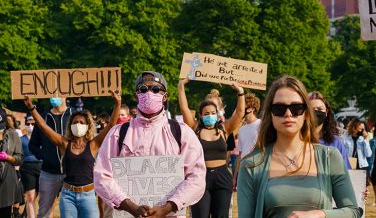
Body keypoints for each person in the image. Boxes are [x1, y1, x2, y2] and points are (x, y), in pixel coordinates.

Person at [237, 75, 361, 217]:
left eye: (296, 108)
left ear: (307, 113)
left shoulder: (329, 157)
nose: (288, 114)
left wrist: (320, 214)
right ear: (270, 113)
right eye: (279, 108)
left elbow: (352, 211)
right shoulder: (251, 164)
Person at [94, 71, 206, 217]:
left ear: (165, 97)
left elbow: (196, 177)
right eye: (143, 89)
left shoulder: (181, 132)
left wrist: (167, 208)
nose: (149, 93)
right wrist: (130, 207)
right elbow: (102, 175)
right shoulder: (118, 133)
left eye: (155, 89)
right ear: (136, 95)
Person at [24, 91, 120, 217]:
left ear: (88, 126)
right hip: (68, 195)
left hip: (88, 195)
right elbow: (43, 126)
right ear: (70, 126)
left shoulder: (93, 144)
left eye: (81, 122)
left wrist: (117, 103)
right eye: (75, 122)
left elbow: (111, 125)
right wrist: (31, 107)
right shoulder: (64, 144)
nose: (78, 124)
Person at [178, 78, 246, 218]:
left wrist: (240, 93)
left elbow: (239, 113)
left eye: (213, 113)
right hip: (200, 176)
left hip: (222, 176)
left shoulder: (224, 129)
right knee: (200, 215)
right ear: (201, 116)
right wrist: (181, 86)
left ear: (218, 114)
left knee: (221, 215)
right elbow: (184, 108)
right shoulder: (195, 128)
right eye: (206, 114)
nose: (210, 116)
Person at [28, 96, 72, 218]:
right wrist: (45, 156)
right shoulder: (43, 117)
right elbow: (33, 145)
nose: (54, 96)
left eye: (58, 93)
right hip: (48, 173)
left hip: (71, 172)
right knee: (44, 213)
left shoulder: (74, 115)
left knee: (70, 212)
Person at [308, 91, 352, 169]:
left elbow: (346, 172)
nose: (315, 112)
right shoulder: (296, 140)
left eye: (319, 109)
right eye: (311, 109)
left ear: (326, 112)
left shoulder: (335, 142)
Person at [233, 93, 262, 191]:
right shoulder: (242, 129)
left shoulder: (262, 125)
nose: (240, 109)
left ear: (251, 109)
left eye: (243, 106)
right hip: (244, 170)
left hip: (258, 169)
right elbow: (240, 155)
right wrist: (235, 176)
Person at [0, 108, 23, 217]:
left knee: (4, 213)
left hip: (7, 180)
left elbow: (19, 158)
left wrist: (8, 157)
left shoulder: (13, 135)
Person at [20, 115, 42, 218]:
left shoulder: (42, 138)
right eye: (28, 124)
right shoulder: (21, 139)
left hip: (42, 167)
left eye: (33, 124)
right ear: (25, 124)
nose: (30, 126)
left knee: (41, 196)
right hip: (27, 168)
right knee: (30, 196)